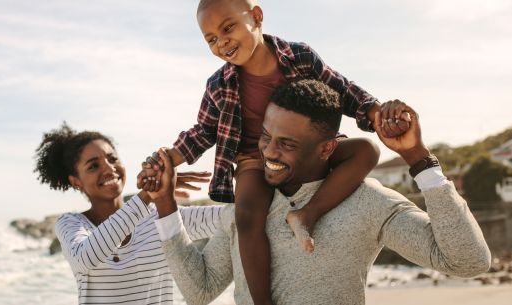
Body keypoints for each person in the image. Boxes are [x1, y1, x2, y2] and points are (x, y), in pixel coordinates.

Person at [140, 0, 412, 303]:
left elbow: (343, 90)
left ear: (256, 17)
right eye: (211, 39)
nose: (222, 42)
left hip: (305, 153)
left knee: (366, 150)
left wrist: (378, 113)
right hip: (255, 160)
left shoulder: (300, 57)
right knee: (246, 216)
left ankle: (306, 214)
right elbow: (203, 131)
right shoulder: (218, 84)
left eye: (227, 28)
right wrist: (167, 158)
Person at [146, 79, 491, 305]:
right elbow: (200, 290)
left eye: (287, 144)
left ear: (327, 148)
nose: (268, 152)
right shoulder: (249, 206)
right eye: (265, 136)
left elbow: (468, 261)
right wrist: (165, 206)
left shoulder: (366, 201)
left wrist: (417, 157)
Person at [33, 123, 223, 305]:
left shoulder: (160, 216)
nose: (109, 168)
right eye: (93, 166)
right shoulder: (71, 223)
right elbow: (85, 257)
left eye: (112, 159)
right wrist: (148, 194)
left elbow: (231, 219)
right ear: (76, 181)